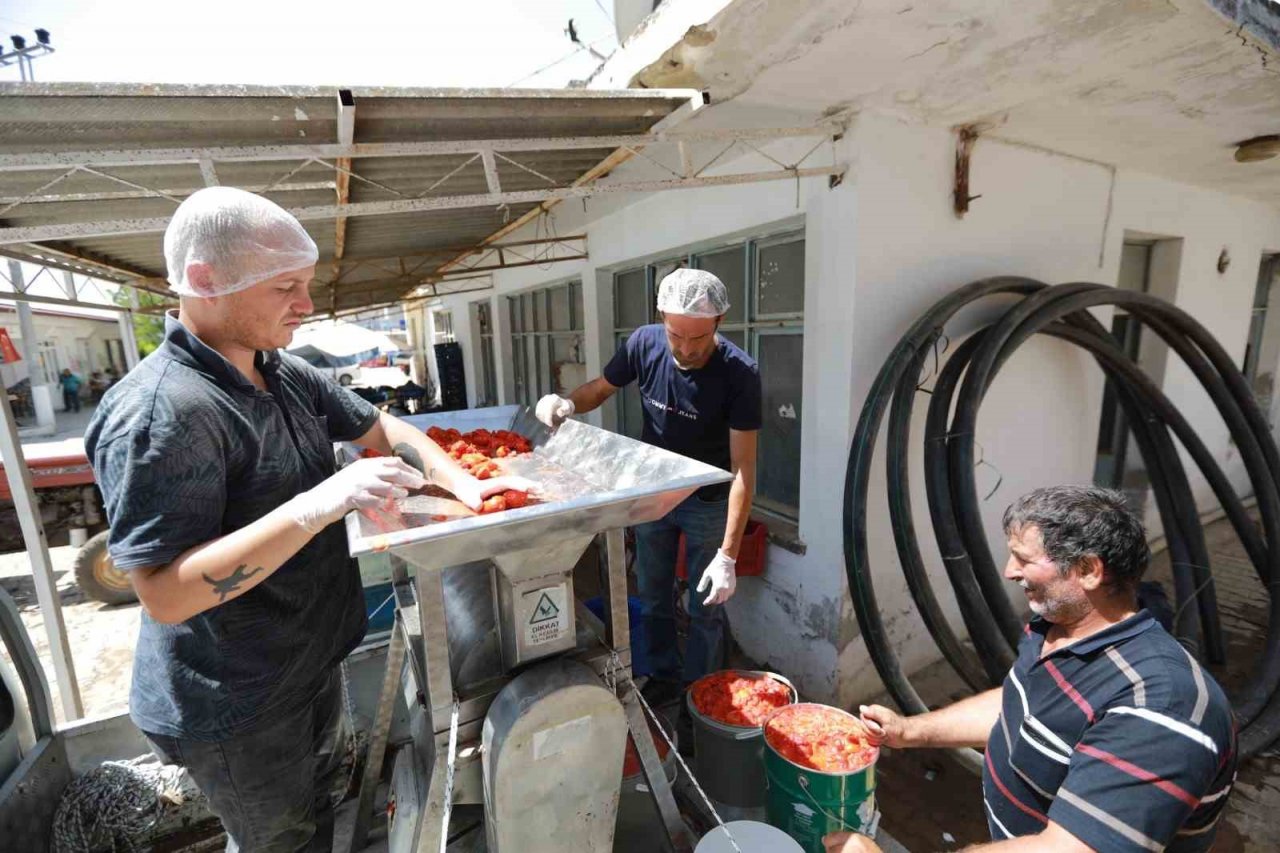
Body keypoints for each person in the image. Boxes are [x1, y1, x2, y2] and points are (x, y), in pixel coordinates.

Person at [85, 187, 530, 853]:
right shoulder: (165, 413)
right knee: (280, 840)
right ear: (205, 281)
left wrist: (470, 486)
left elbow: (380, 425)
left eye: (306, 283)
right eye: (285, 287)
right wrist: (319, 503)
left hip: (306, 662)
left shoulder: (280, 370)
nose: (306, 304)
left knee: (319, 814)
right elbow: (166, 592)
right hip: (237, 704)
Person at [824, 486, 1236, 853]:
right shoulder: (1058, 628)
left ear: (1088, 570)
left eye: (1024, 559)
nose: (1008, 571)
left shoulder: (1160, 708)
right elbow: (1017, 704)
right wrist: (908, 732)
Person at [534, 268, 762, 712]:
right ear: (661, 318)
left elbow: (743, 468)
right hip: (655, 494)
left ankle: (703, 700)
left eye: (699, 338)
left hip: (706, 502)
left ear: (719, 324)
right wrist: (565, 403)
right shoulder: (643, 343)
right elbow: (601, 388)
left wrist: (729, 556)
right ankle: (661, 677)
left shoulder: (739, 373)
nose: (686, 348)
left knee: (705, 608)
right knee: (653, 595)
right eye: (677, 335)